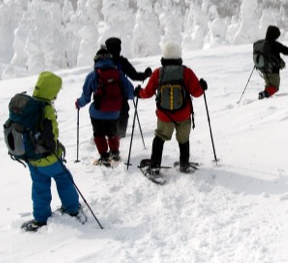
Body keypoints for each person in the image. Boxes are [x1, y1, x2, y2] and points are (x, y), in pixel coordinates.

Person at [21, 71, 83, 232]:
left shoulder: (29, 105)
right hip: (47, 157)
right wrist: (57, 148)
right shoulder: (45, 109)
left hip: (30, 157)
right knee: (63, 177)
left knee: (39, 185)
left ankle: (40, 218)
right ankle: (72, 208)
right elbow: (51, 134)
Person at [136, 41, 206, 175]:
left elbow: (148, 93)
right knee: (183, 139)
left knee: (160, 137)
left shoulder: (158, 73)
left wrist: (138, 93)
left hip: (164, 115)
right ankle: (184, 164)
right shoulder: (186, 72)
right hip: (183, 114)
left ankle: (155, 166)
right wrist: (202, 87)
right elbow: (197, 93)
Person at [75, 46, 135, 166]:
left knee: (99, 133)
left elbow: (86, 97)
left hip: (97, 112)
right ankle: (115, 153)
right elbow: (131, 93)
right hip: (115, 112)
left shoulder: (92, 76)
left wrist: (78, 103)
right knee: (113, 132)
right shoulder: (118, 74)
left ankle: (104, 156)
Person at [104, 37, 152, 139]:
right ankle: (119, 137)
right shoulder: (122, 61)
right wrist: (146, 75)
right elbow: (134, 75)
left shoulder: (102, 63)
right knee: (122, 122)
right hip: (121, 98)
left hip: (104, 99)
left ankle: (106, 137)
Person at [258, 25, 288, 99]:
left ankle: (264, 98)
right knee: (275, 87)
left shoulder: (262, 44)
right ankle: (263, 95)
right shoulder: (275, 45)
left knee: (269, 87)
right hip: (273, 71)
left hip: (264, 70)